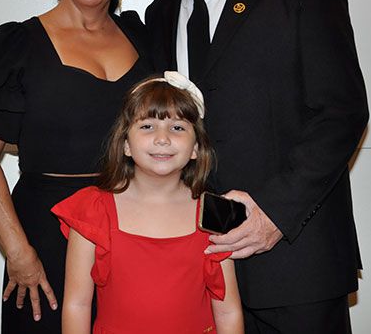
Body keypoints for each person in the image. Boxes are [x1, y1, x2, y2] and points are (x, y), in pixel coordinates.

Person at [145, 0, 369, 333]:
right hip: (198, 272)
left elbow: (341, 113)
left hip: (295, 264)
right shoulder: (158, 13)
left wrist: (273, 214)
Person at [0, 0, 153, 333]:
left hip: (132, 227)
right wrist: (18, 251)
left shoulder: (144, 39)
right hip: (47, 235)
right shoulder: (16, 46)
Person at [52, 72, 244, 334]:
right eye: (147, 126)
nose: (162, 138)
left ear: (196, 148)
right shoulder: (92, 210)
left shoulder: (216, 212)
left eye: (177, 128)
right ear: (126, 145)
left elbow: (228, 311)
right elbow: (77, 305)